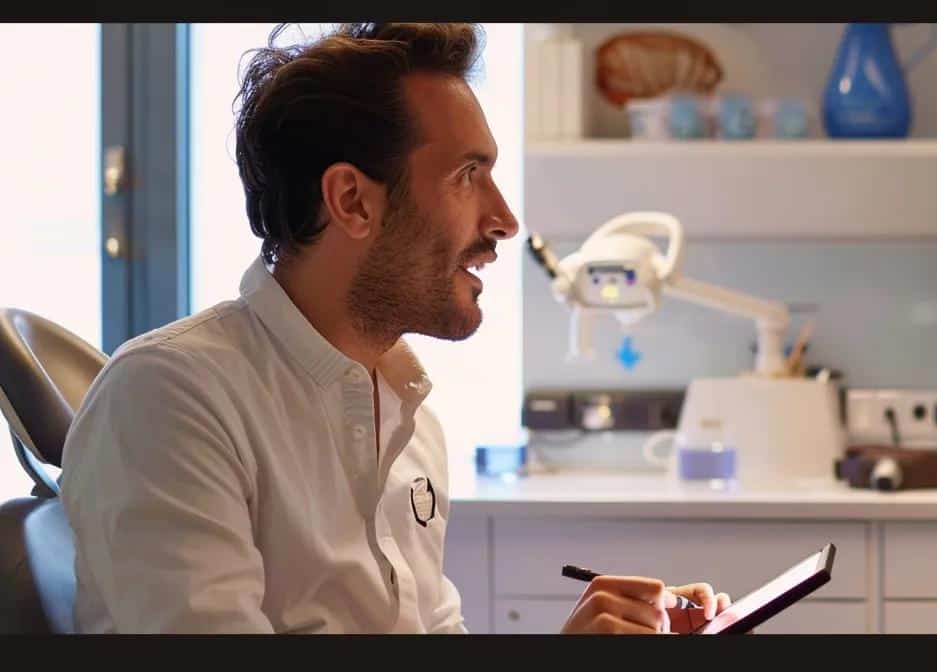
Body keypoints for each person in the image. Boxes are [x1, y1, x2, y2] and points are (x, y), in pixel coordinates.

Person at [60, 23, 726, 634]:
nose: (504, 221)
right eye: (469, 176)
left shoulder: (410, 421)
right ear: (353, 201)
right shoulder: (170, 398)